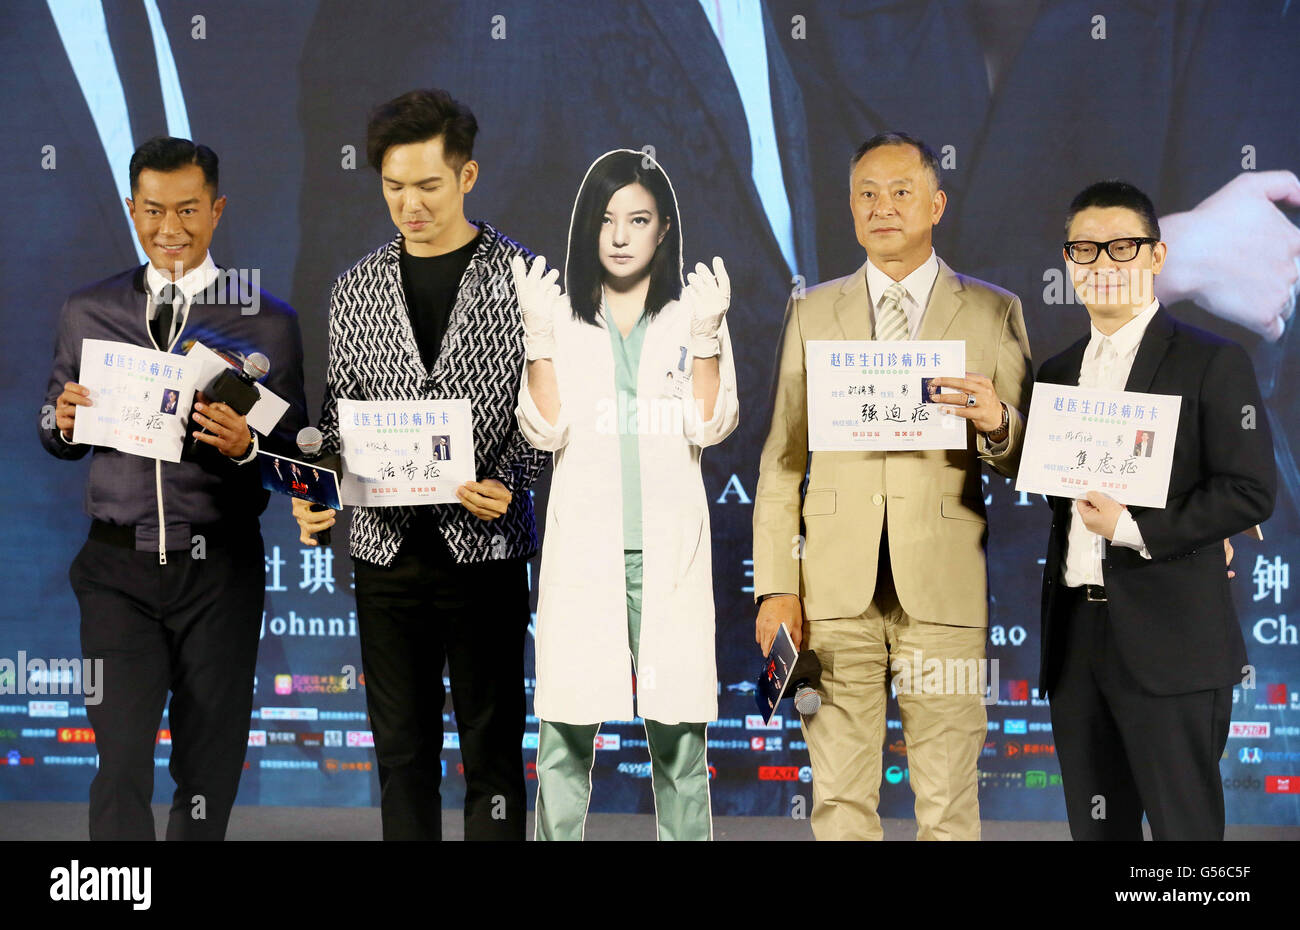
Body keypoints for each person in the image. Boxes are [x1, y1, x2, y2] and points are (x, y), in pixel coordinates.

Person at [752, 132, 1032, 840]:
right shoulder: (812, 311)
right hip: (832, 597)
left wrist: (997, 422)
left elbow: (1027, 457)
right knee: (840, 802)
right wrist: (777, 585)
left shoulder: (992, 312)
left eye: (901, 192)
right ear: (849, 209)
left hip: (942, 587)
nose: (883, 208)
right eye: (866, 195)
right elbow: (783, 461)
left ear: (936, 204)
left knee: (947, 801)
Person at [291, 89, 548, 841]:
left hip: (488, 554)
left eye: (428, 186)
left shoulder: (524, 277)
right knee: (402, 756)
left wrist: (513, 478)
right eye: (394, 187)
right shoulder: (356, 286)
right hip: (385, 556)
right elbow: (339, 414)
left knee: (493, 753)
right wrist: (319, 489)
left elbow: (545, 410)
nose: (410, 204)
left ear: (467, 177)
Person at [39, 136, 308, 840]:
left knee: (207, 769)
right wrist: (64, 422)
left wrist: (251, 445)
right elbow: (53, 424)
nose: (171, 230)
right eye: (153, 211)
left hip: (219, 569)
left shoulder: (267, 321)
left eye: (188, 210)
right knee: (120, 760)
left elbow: (299, 455)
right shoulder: (88, 311)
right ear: (132, 210)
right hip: (115, 569)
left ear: (217, 210)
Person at [1036, 180, 1276, 840]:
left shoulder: (1213, 361)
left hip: (1174, 641)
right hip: (1077, 641)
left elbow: (1251, 489)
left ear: (1157, 256)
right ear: (1068, 262)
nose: (1103, 264)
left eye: (1122, 247)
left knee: (1184, 837)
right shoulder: (1055, 373)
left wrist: (1136, 528)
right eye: (1085, 249)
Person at [513, 149, 738, 840]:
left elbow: (710, 422)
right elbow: (544, 430)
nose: (618, 236)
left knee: (679, 745)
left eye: (637, 219)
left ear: (663, 230)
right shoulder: (562, 316)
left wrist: (704, 337)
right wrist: (539, 339)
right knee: (564, 740)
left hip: (667, 557)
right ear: (587, 226)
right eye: (606, 219)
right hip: (586, 558)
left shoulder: (690, 314)